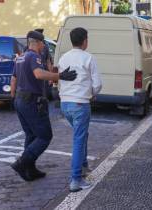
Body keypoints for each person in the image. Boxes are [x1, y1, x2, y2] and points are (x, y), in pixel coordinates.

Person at [10, 30, 77, 181]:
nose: (43, 47)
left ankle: (30, 169)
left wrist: (14, 99)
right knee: (45, 136)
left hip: (20, 100)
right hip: (32, 101)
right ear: (38, 43)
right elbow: (39, 74)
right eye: (43, 44)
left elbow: (13, 79)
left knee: (31, 135)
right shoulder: (34, 56)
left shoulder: (20, 58)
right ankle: (23, 162)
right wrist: (60, 76)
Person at [57, 27, 102, 192]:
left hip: (65, 104)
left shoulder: (63, 58)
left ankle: (83, 166)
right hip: (80, 104)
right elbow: (97, 84)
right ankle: (76, 180)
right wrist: (92, 94)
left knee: (82, 135)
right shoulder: (89, 58)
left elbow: (60, 80)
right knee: (79, 139)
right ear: (84, 40)